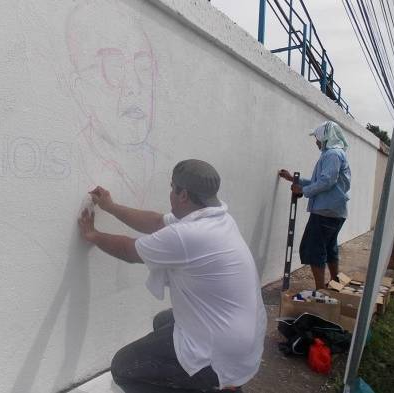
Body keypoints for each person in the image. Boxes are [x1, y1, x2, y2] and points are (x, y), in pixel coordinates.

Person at [78, 159, 267, 393]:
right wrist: (111, 206)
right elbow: (157, 222)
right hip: (242, 344)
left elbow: (129, 250)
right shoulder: (218, 218)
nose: (170, 194)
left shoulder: (190, 234)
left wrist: (92, 235)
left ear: (183, 195)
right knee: (163, 321)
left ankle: (212, 386)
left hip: (223, 357)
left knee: (124, 368)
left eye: (171, 188)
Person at [66, 0, 157, 206]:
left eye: (144, 67)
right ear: (80, 89)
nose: (134, 86)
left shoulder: (160, 167)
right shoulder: (72, 159)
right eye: (114, 67)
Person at [279, 121, 351, 290]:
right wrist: (294, 180)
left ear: (326, 137)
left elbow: (326, 181)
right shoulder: (335, 153)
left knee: (313, 249)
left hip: (326, 211)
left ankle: (321, 291)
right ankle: (335, 284)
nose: (316, 142)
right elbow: (321, 181)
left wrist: (303, 190)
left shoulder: (332, 154)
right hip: (335, 211)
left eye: (317, 138)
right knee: (329, 248)